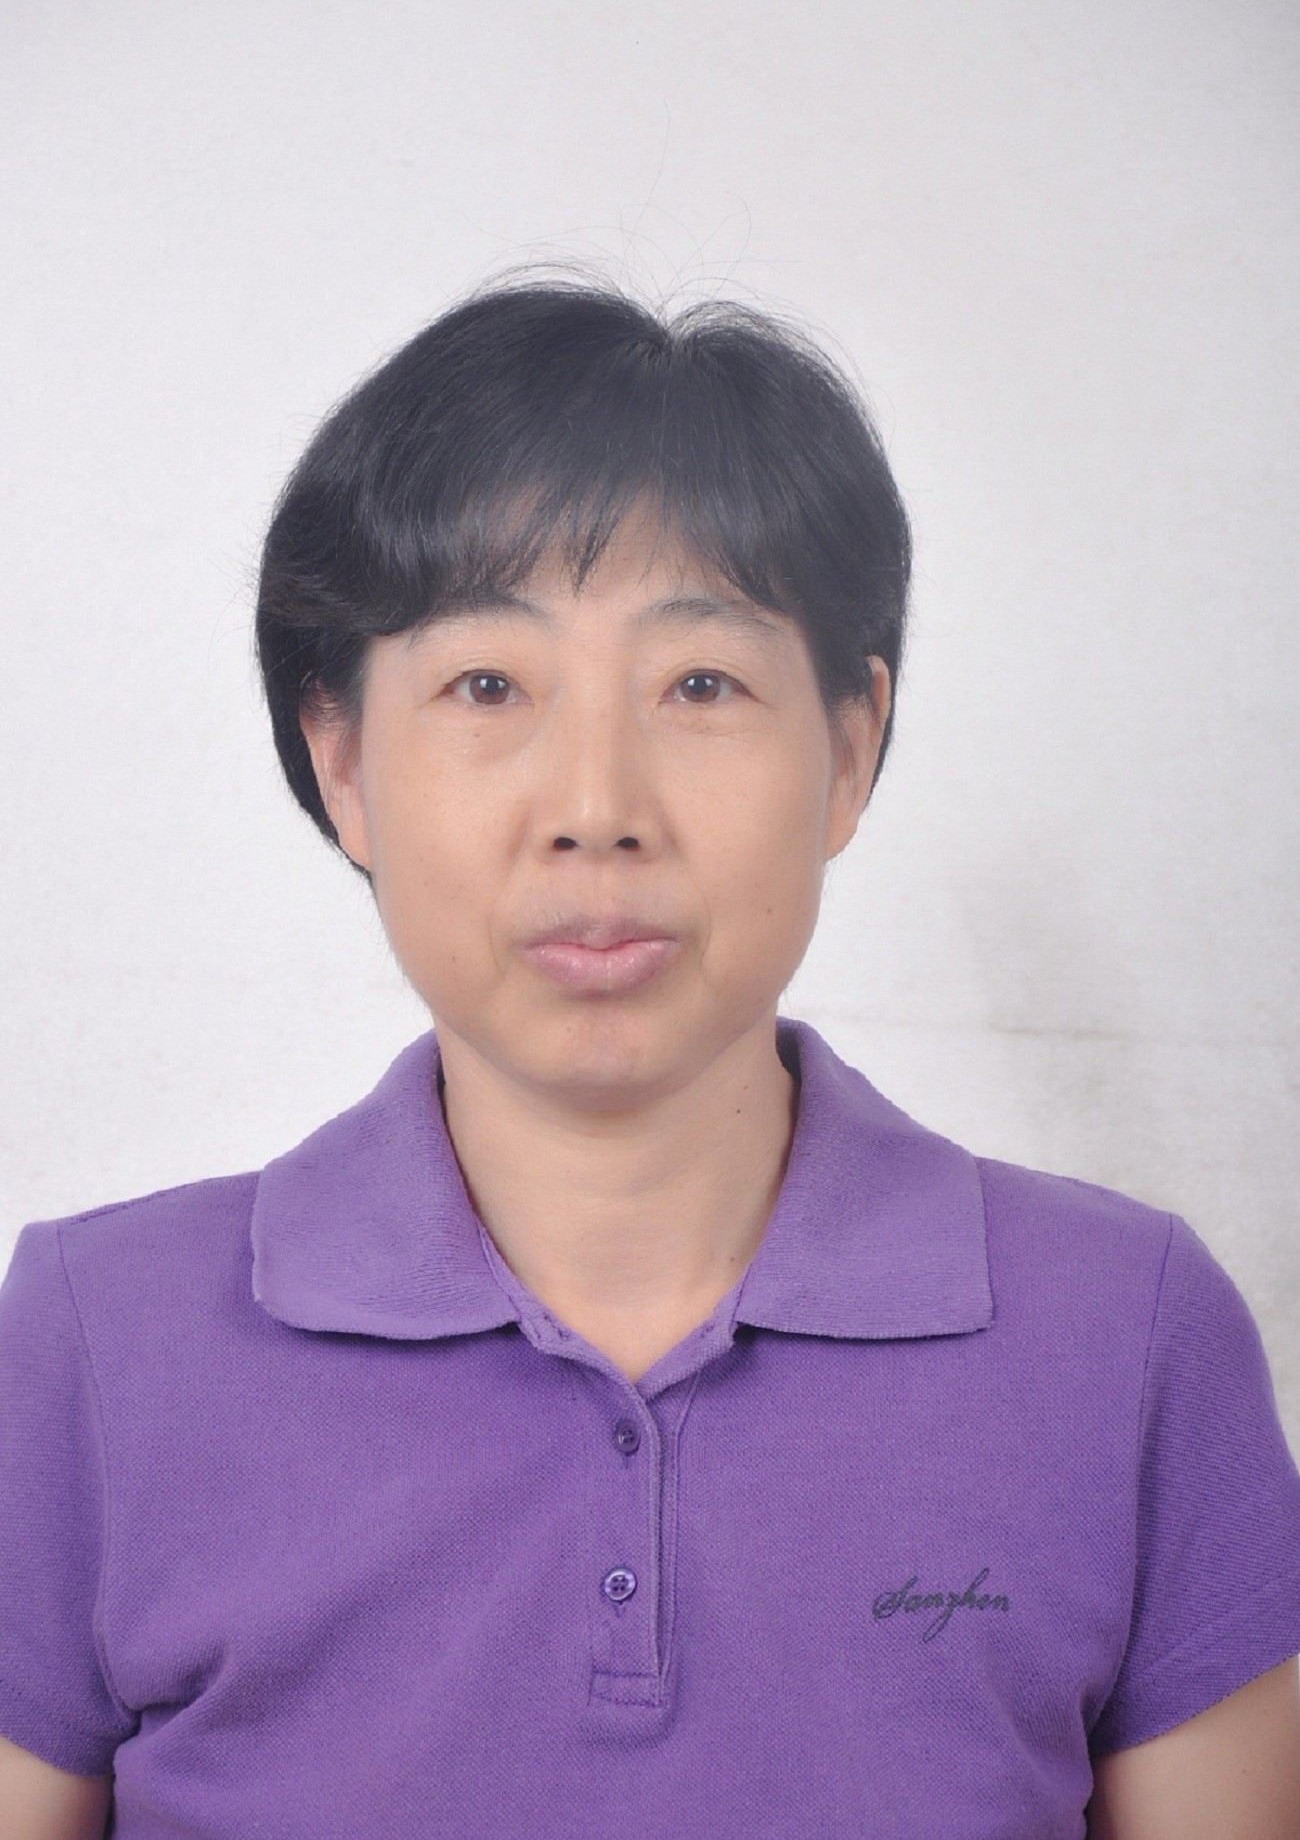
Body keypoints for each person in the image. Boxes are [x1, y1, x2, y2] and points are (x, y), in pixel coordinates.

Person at [1, 271, 1298, 1840]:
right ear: (342, 764)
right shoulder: (93, 1346)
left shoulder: (1131, 1337)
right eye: (489, 684)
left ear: (849, 750)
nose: (596, 805)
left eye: (701, 684)